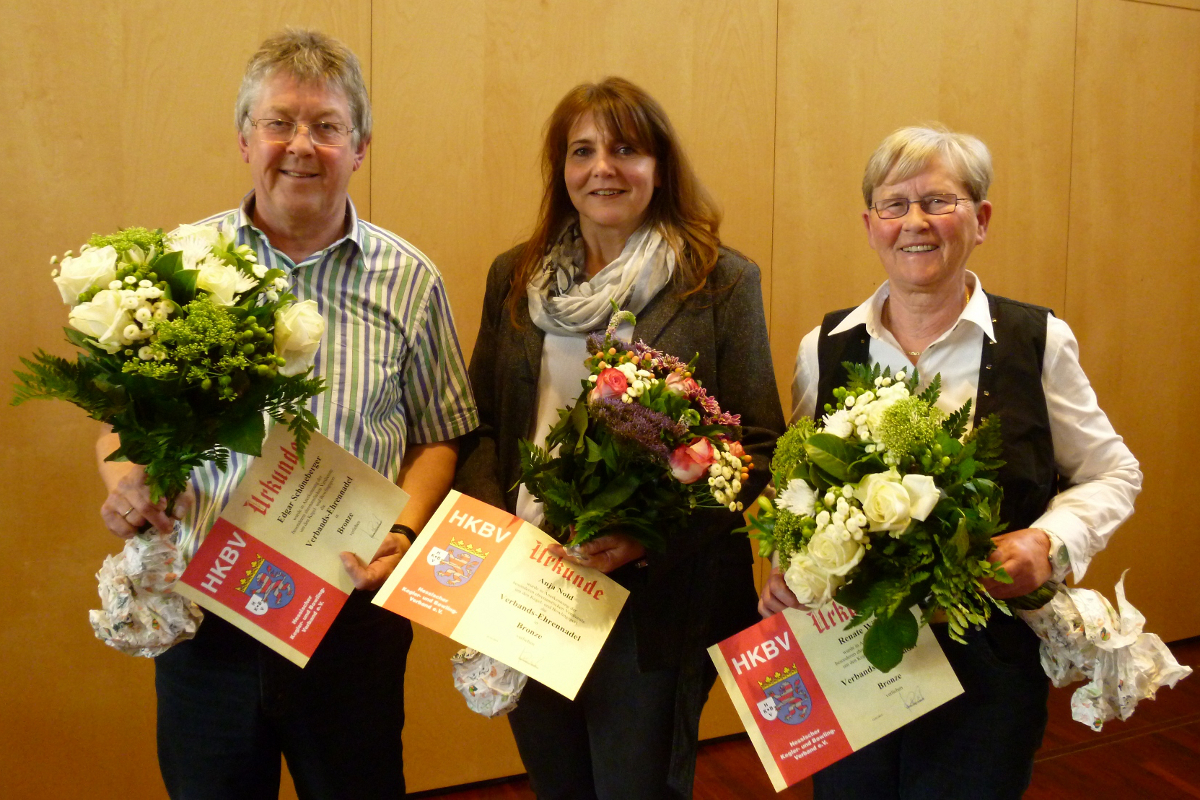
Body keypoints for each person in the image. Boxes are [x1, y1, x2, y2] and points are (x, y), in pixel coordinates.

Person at [95, 29, 478, 799]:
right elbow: (118, 424)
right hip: (203, 620)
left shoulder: (409, 280)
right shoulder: (179, 266)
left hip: (350, 622)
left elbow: (442, 434)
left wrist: (402, 534)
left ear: (360, 147)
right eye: (279, 122)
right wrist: (123, 479)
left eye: (327, 126)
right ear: (245, 138)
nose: (300, 146)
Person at [759, 124, 1142, 799]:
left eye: (939, 201)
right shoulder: (823, 346)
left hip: (988, 656)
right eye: (894, 204)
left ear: (981, 219)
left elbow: (1114, 472)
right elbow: (794, 486)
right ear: (870, 224)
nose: (915, 223)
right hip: (851, 649)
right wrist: (782, 565)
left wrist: (1046, 542)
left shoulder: (1038, 341)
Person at [454, 77, 785, 799]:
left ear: (659, 167)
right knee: (556, 779)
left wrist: (647, 532)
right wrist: (497, 535)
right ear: (561, 170)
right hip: (531, 580)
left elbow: (758, 445)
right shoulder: (516, 276)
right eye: (582, 151)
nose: (603, 168)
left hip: (656, 597)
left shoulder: (720, 282)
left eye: (625, 149)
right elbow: (481, 425)